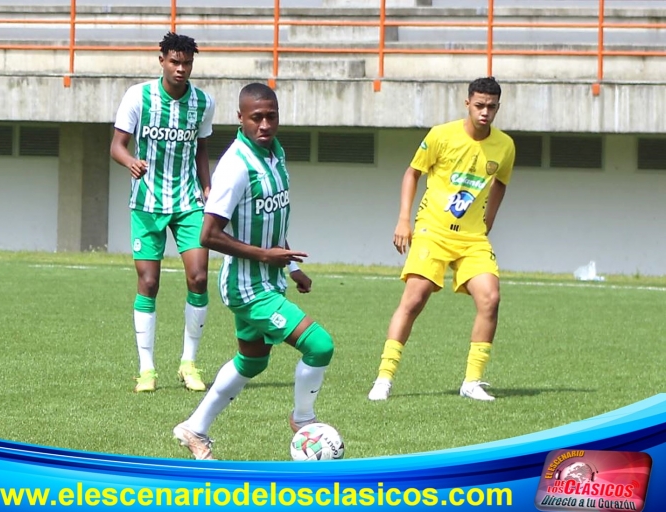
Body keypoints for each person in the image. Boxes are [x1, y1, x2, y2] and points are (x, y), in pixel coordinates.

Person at [173, 82, 334, 460]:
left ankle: (194, 429)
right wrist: (264, 256)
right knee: (320, 344)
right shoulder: (236, 166)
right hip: (248, 288)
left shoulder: (274, 151)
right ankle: (304, 421)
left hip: (270, 280)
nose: (264, 124)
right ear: (240, 119)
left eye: (271, 116)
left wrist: (291, 267)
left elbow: (271, 219)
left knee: (252, 361)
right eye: (256, 118)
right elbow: (208, 235)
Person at [367, 76, 516, 403]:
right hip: (431, 231)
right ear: (467, 104)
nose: (484, 113)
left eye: (491, 107)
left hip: (472, 239)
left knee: (490, 298)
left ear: (498, 108)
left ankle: (472, 382)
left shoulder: (505, 146)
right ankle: (384, 378)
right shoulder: (441, 135)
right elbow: (412, 172)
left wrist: (488, 220)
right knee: (415, 299)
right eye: (479, 105)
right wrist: (404, 219)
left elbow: (501, 183)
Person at [110, 32, 215, 393]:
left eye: (186, 63)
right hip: (147, 202)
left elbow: (201, 149)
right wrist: (130, 162)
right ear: (162, 61)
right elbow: (117, 146)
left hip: (188, 203)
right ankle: (147, 369)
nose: (181, 68)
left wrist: (207, 186)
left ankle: (189, 364)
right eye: (175, 61)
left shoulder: (203, 102)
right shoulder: (138, 96)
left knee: (199, 278)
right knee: (149, 283)